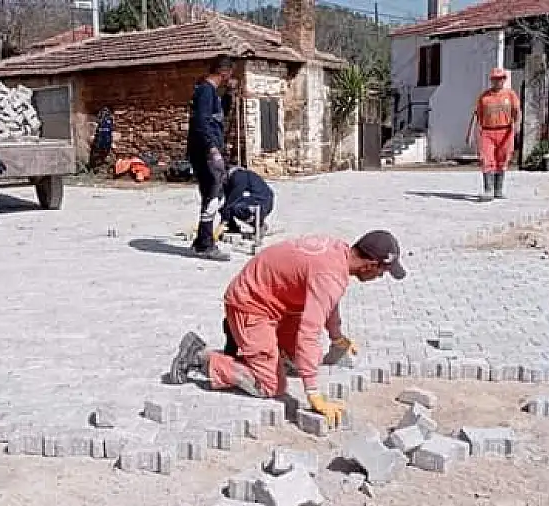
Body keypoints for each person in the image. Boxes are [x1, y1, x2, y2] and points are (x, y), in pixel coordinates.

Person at [168, 230, 407, 427]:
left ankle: (261, 347)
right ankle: (201, 357)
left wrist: (337, 337)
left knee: (297, 362)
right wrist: (314, 394)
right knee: (271, 385)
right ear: (370, 265)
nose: (381, 277)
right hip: (250, 304)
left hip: (275, 301)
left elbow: (327, 303)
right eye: (382, 272)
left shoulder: (339, 253)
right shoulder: (330, 275)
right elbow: (309, 334)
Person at [187, 56, 238, 261]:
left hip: (206, 150)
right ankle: (205, 244)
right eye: (230, 74)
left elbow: (217, 116)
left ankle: (202, 241)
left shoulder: (211, 93)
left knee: (212, 196)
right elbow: (201, 123)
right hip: (205, 152)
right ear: (223, 72)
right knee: (212, 197)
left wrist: (229, 95)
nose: (230, 78)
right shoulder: (206, 91)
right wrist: (212, 149)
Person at [466, 67, 521, 201]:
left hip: (505, 131)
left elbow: (517, 112)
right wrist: (470, 134)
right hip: (487, 131)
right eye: (495, 79)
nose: (498, 81)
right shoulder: (484, 97)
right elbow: (476, 115)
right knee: (486, 159)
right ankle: (488, 190)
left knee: (502, 159)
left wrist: (517, 127)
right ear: (491, 80)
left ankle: (498, 190)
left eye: (501, 78)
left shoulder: (510, 95)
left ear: (504, 79)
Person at [221, 165, 274, 235]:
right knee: (226, 208)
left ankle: (259, 225)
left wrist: (223, 222)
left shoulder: (238, 176)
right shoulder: (232, 179)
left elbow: (233, 200)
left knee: (235, 208)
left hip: (262, 203)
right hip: (262, 201)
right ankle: (234, 227)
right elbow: (228, 201)